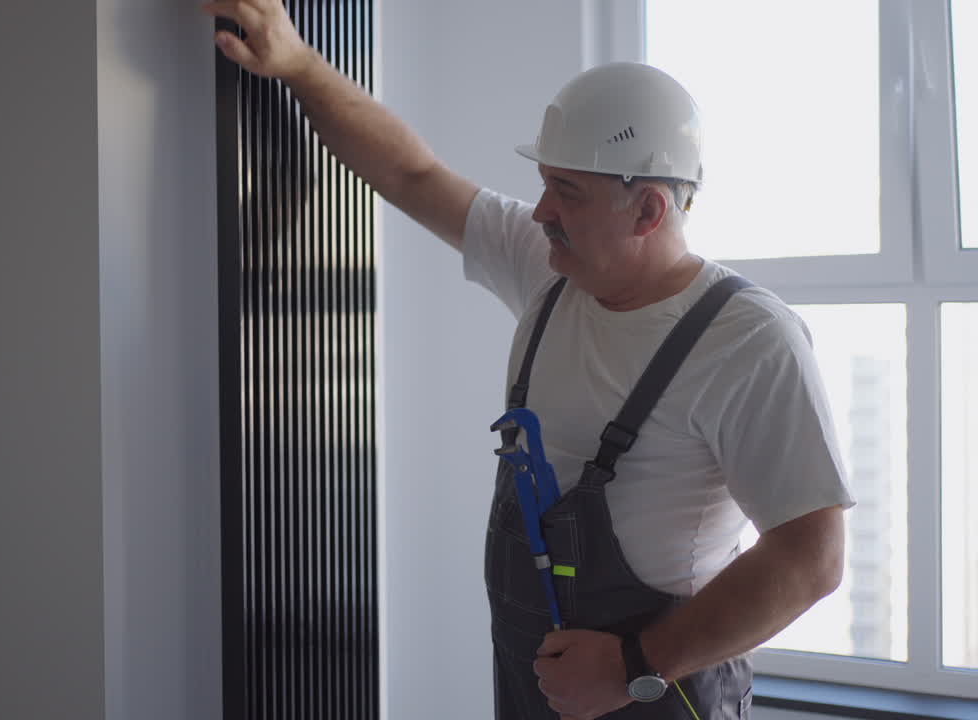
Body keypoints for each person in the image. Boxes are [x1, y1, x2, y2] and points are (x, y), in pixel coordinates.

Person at [199, 2, 856, 719]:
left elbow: (809, 560)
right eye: (545, 182)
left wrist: (634, 665)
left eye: (566, 192)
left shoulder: (748, 340)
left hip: (658, 693)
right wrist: (297, 63)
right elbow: (414, 175)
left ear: (648, 214)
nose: (540, 211)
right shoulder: (551, 270)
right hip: (535, 678)